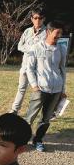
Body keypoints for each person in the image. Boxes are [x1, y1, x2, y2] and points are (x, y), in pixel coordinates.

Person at [25, 20, 67, 152]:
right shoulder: (37, 47)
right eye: (57, 33)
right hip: (40, 89)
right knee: (30, 117)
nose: (59, 36)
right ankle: (21, 139)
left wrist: (63, 90)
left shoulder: (61, 48)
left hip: (56, 89)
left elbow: (62, 70)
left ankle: (38, 140)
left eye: (61, 33)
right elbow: (29, 68)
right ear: (49, 32)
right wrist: (34, 86)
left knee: (46, 118)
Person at [10, 7, 46, 114]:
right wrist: (32, 48)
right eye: (35, 18)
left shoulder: (47, 32)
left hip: (39, 69)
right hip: (25, 67)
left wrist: (34, 49)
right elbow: (20, 46)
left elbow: (45, 50)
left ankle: (46, 112)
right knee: (21, 89)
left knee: (41, 92)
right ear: (31, 19)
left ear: (43, 19)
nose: (37, 20)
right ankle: (14, 110)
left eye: (40, 18)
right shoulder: (27, 31)